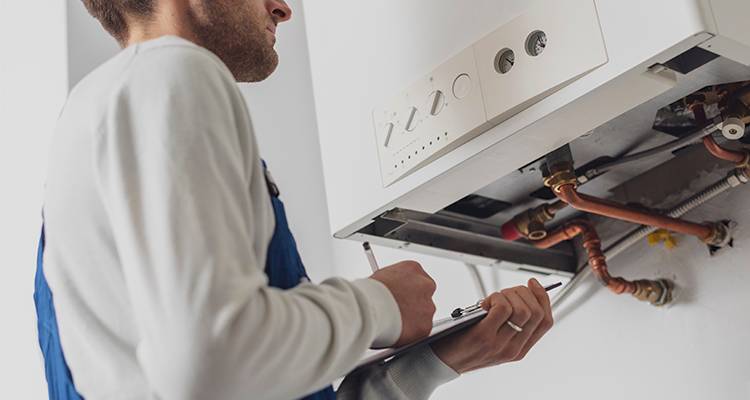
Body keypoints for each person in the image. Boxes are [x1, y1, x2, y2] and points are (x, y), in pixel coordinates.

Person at [34, 0, 554, 399]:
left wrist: (435, 361)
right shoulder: (170, 73)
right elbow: (210, 359)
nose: (284, 7)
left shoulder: (90, 151)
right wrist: (379, 305)